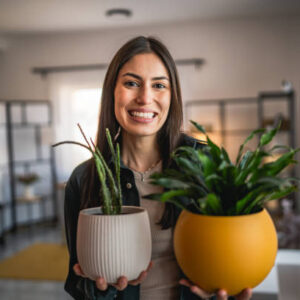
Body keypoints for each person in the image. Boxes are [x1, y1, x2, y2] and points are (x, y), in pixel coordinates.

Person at [64, 36, 253, 300]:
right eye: (132, 83)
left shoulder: (207, 163)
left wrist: (227, 292)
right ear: (112, 91)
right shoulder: (83, 178)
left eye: (159, 85)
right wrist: (100, 289)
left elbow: (233, 251)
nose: (145, 98)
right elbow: (78, 283)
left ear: (172, 95)